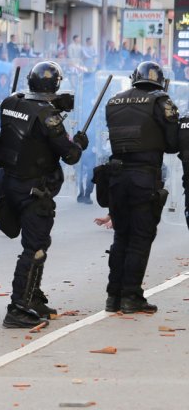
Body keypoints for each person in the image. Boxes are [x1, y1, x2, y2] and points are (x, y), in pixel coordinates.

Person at [0, 61, 87, 328]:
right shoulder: (49, 116)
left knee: (38, 246)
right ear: (55, 84)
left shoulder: (11, 102)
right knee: (34, 248)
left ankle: (32, 297)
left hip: (10, 183)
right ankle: (18, 307)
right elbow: (69, 155)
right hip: (35, 190)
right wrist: (78, 143)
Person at [104, 61, 179, 313]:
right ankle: (131, 296)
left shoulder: (114, 101)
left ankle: (113, 297)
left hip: (116, 176)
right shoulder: (160, 101)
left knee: (121, 236)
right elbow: (172, 143)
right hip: (143, 177)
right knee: (140, 237)